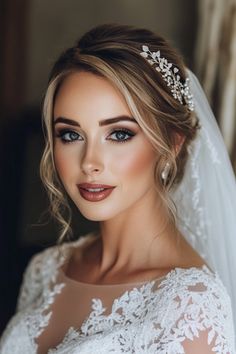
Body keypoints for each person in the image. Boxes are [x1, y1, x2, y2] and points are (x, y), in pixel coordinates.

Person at [0, 23, 235, 353]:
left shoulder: (190, 307)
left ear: (171, 144)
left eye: (119, 134)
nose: (89, 162)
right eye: (71, 135)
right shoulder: (46, 269)